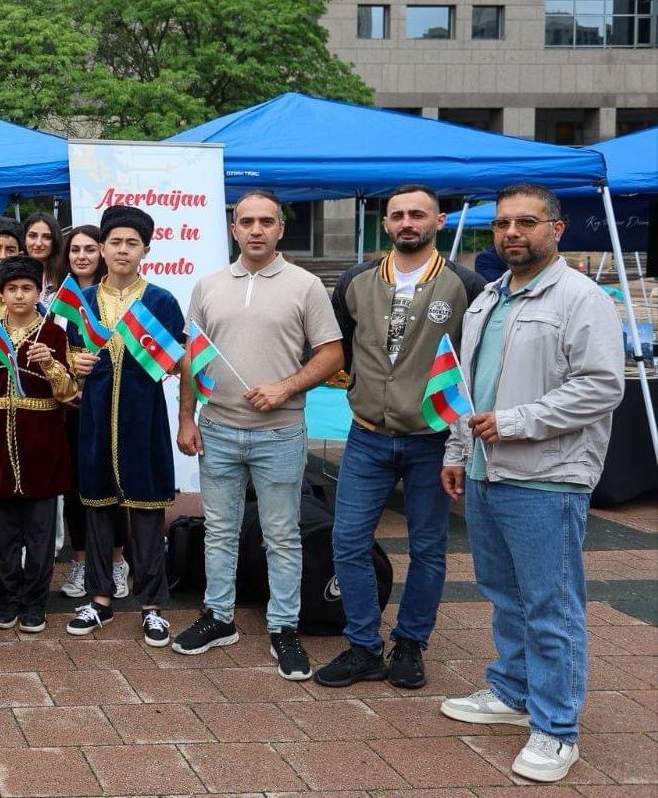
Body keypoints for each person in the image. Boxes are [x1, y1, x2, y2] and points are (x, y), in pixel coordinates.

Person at [439, 183, 624, 784]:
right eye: (501, 225)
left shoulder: (581, 298)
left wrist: (515, 423)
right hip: (488, 470)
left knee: (551, 605)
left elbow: (601, 386)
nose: (511, 233)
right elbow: (467, 388)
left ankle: (556, 729)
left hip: (547, 476)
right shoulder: (487, 298)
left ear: (557, 229)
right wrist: (459, 450)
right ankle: (513, 692)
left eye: (526, 222)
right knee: (503, 592)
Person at [315, 185, 485, 690]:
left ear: (439, 220)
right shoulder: (356, 279)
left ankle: (410, 643)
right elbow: (344, 346)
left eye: (418, 214)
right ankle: (364, 646)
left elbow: (473, 363)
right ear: (385, 223)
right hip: (367, 436)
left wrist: (459, 442)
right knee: (347, 543)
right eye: (397, 215)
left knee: (428, 547)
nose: (407, 222)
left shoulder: (466, 284)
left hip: (431, 439)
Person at [172, 191, 343, 680]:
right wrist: (187, 418)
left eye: (266, 221)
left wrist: (285, 386)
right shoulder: (207, 285)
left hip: (280, 432)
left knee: (282, 536)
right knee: (220, 531)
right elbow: (192, 357)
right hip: (218, 429)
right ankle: (218, 617)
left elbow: (332, 354)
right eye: (246, 221)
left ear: (280, 228)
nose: (255, 230)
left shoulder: (306, 285)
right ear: (233, 228)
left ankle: (284, 627)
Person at [65, 206, 187, 648]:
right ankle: (99, 598)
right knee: (97, 509)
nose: (121, 249)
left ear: (145, 250)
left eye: (131, 243)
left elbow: (174, 361)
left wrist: (170, 361)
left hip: (144, 419)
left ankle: (152, 606)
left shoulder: (160, 301)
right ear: (102, 248)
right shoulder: (83, 301)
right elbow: (70, 362)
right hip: (95, 419)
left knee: (148, 512)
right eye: (114, 241)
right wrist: (73, 364)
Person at [0, 256, 76, 634]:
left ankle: (36, 601)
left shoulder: (53, 335)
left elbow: (69, 392)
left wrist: (51, 365)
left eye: (27, 288)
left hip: (43, 444)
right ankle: (8, 598)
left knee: (39, 532)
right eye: (12, 288)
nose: (19, 295)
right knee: (3, 534)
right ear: (2, 293)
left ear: (39, 292)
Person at [56, 225, 129, 600]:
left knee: (113, 485)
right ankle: (81, 562)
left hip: (110, 405)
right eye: (74, 250)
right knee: (75, 490)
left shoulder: (113, 299)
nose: (81, 256)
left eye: (88, 249)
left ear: (101, 253)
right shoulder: (60, 301)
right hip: (70, 411)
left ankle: (117, 562)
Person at [22, 211, 64, 304]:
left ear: (55, 241)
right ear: (24, 239)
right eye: (32, 236)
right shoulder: (14, 273)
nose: (38, 243)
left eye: (47, 237)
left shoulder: (64, 275)